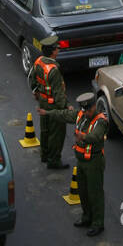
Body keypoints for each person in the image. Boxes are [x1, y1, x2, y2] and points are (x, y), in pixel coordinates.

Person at [45, 92, 108, 236]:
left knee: (95, 193)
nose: (86, 113)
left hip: (94, 162)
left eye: (89, 110)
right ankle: (87, 217)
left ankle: (98, 223)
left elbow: (96, 136)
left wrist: (83, 136)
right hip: (81, 162)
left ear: (94, 107)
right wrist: (48, 112)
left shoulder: (101, 121)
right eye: (84, 110)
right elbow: (65, 115)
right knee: (83, 192)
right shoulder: (81, 115)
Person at [28, 35, 69, 170]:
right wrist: (65, 108)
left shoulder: (39, 61)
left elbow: (31, 79)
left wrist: (36, 92)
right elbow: (58, 94)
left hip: (43, 101)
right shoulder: (54, 70)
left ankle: (44, 155)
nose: (58, 51)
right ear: (52, 51)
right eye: (57, 49)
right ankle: (54, 160)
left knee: (45, 130)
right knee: (56, 134)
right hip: (53, 105)